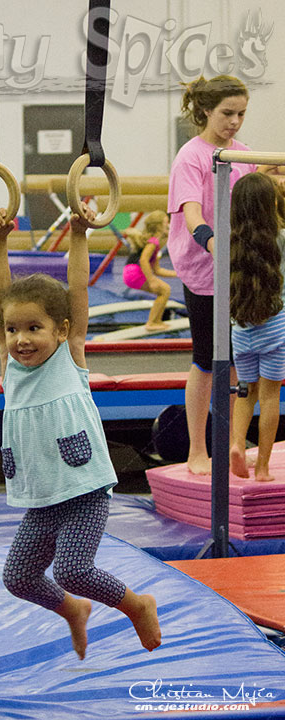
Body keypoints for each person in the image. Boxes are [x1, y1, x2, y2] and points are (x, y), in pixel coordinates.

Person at [0, 204, 161, 661]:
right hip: (42, 496)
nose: (21, 339)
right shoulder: (11, 368)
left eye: (34, 328)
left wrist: (80, 233)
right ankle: (73, 611)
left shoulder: (70, 357)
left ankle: (136, 604)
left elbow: (78, 288)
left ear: (62, 331)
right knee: (19, 578)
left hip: (82, 491)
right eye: (12, 330)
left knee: (73, 568)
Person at [167, 74, 258, 475]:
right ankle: (197, 450)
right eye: (227, 113)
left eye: (241, 114)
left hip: (238, 266)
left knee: (242, 358)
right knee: (206, 359)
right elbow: (191, 215)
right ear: (206, 110)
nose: (235, 121)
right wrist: (213, 244)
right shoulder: (191, 155)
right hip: (201, 266)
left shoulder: (244, 153)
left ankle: (235, 444)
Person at [229, 173, 285, 482]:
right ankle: (262, 467)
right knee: (269, 397)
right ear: (272, 205)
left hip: (242, 331)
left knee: (245, 393)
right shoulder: (282, 239)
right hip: (276, 329)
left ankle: (237, 445)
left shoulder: (231, 243)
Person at [122, 210, 177, 331]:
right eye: (166, 223)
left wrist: (177, 274)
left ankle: (156, 321)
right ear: (159, 226)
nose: (168, 225)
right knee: (164, 290)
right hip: (134, 272)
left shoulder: (153, 241)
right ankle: (152, 322)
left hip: (129, 272)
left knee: (164, 290)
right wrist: (151, 280)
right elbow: (143, 260)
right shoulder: (153, 241)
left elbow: (157, 270)